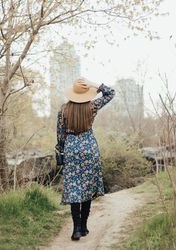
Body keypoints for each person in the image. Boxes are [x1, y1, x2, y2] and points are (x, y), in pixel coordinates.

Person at [55, 77, 115, 241]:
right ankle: (84, 226)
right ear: (85, 93)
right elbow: (111, 93)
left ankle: (76, 230)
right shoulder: (92, 106)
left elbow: (60, 135)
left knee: (75, 189)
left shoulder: (63, 110)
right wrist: (95, 85)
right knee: (88, 187)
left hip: (71, 150)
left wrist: (61, 149)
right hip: (89, 149)